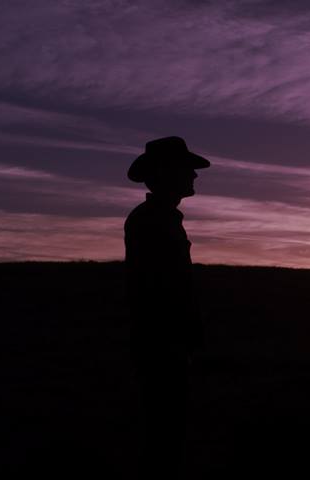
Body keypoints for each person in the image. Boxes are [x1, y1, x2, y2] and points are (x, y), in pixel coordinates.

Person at [125, 136, 209, 479]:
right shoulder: (151, 220)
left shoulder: (161, 218)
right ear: (166, 172)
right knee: (164, 430)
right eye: (186, 168)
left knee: (167, 428)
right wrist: (179, 332)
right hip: (161, 341)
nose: (194, 175)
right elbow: (158, 285)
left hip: (165, 338)